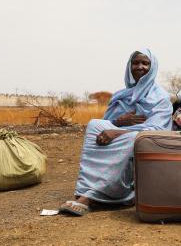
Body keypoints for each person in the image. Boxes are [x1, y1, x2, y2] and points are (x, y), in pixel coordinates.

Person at [60, 49, 173, 216]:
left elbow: (156, 129)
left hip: (146, 137)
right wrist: (118, 122)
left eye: (145, 63)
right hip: (120, 130)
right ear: (129, 66)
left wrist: (117, 132)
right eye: (135, 63)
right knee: (94, 124)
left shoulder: (161, 97)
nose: (139, 66)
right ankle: (85, 189)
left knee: (133, 139)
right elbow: (108, 122)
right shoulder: (121, 94)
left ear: (153, 67)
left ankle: (89, 198)